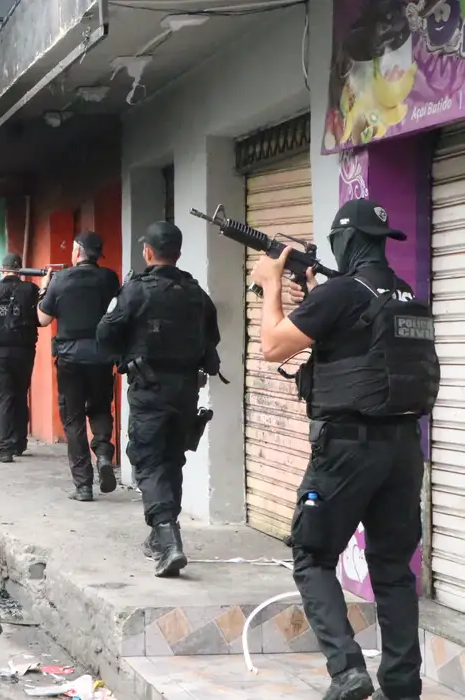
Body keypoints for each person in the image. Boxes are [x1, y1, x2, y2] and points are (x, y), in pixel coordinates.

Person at [252, 198, 439, 700]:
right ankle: (402, 683)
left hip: (346, 450)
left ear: (344, 241)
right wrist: (317, 296)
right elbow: (362, 343)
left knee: (313, 556)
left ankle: (347, 670)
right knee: (393, 569)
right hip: (402, 449)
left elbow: (273, 346)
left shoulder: (340, 294)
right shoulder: (405, 295)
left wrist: (271, 286)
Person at [96, 222, 221, 578]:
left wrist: (126, 350)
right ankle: (159, 536)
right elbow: (212, 338)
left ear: (148, 252)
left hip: (149, 390)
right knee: (171, 460)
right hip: (185, 392)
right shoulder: (196, 293)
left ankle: (168, 541)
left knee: (149, 462)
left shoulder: (135, 291)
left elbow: (104, 334)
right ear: (177, 253)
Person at [38, 231, 121, 501]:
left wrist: (43, 288)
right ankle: (104, 454)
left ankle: (84, 486)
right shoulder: (109, 278)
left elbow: (42, 319)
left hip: (70, 359)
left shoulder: (60, 280)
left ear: (76, 252)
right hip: (101, 357)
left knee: (73, 419)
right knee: (100, 408)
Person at [0, 253, 41, 463]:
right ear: (20, 269)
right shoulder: (31, 290)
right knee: (20, 394)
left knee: (3, 397)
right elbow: (40, 318)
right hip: (24, 352)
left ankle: (5, 449)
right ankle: (19, 443)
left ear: (2, 269)